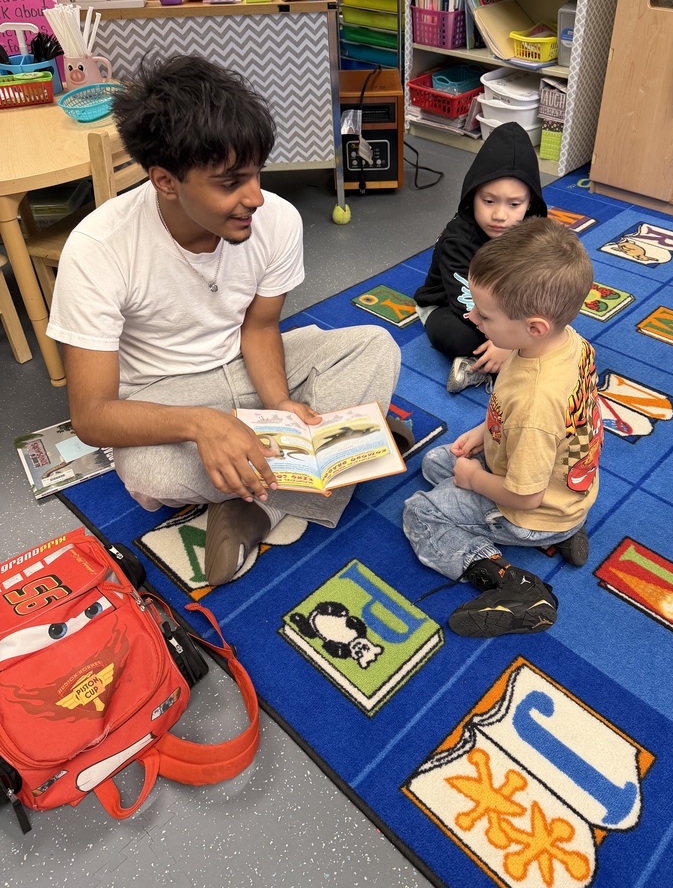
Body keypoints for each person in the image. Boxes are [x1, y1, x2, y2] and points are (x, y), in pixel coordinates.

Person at [47, 54, 401, 586]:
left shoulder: (275, 219)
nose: (254, 198)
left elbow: (259, 328)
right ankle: (336, 453)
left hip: (248, 368)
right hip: (166, 392)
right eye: (230, 182)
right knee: (149, 473)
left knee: (376, 343)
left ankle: (258, 508)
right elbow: (93, 416)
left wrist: (281, 404)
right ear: (166, 181)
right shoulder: (98, 248)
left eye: (256, 173)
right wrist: (201, 423)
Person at [403, 218, 603, 639]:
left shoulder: (534, 403)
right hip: (561, 481)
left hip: (532, 507)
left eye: (486, 315)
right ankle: (564, 532)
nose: (471, 317)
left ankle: (511, 583)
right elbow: (554, 424)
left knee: (421, 512)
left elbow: (525, 494)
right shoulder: (568, 343)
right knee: (438, 462)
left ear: (534, 326)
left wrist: (475, 479)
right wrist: (482, 432)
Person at [413, 122, 547, 394]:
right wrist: (506, 339)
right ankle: (490, 362)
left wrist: (509, 337)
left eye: (514, 204)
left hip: (508, 306)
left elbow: (542, 281)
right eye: (489, 201)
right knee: (462, 337)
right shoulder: (458, 241)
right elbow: (466, 305)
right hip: (452, 307)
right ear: (472, 196)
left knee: (554, 321)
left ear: (530, 202)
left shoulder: (532, 230)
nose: (499, 215)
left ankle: (495, 361)